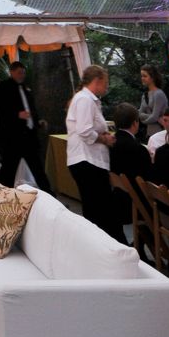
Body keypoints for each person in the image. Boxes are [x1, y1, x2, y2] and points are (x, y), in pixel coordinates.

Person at [66, 65, 122, 241]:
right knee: (100, 209)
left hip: (89, 161)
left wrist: (102, 135)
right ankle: (108, 244)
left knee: (97, 209)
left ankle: (102, 243)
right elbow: (84, 131)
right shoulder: (85, 100)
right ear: (97, 81)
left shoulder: (86, 99)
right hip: (87, 161)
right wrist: (104, 139)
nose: (107, 86)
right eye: (105, 82)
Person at [0, 61, 52, 191]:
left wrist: (37, 122)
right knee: (8, 170)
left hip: (29, 136)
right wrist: (16, 114)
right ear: (12, 72)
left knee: (38, 169)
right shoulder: (3, 87)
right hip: (12, 137)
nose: (22, 75)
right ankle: (3, 196)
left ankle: (50, 195)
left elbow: (30, 109)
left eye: (23, 73)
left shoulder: (25, 88)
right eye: (19, 73)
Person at [110, 103, 152, 184]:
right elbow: (148, 178)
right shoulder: (139, 149)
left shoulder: (109, 144)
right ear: (135, 123)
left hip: (118, 189)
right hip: (136, 190)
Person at [138, 66, 168, 140]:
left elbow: (154, 117)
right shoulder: (145, 95)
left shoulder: (159, 94)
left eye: (145, 76)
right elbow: (139, 113)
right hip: (149, 134)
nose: (142, 78)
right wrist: (155, 117)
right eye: (141, 76)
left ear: (153, 78)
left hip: (160, 133)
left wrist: (143, 121)